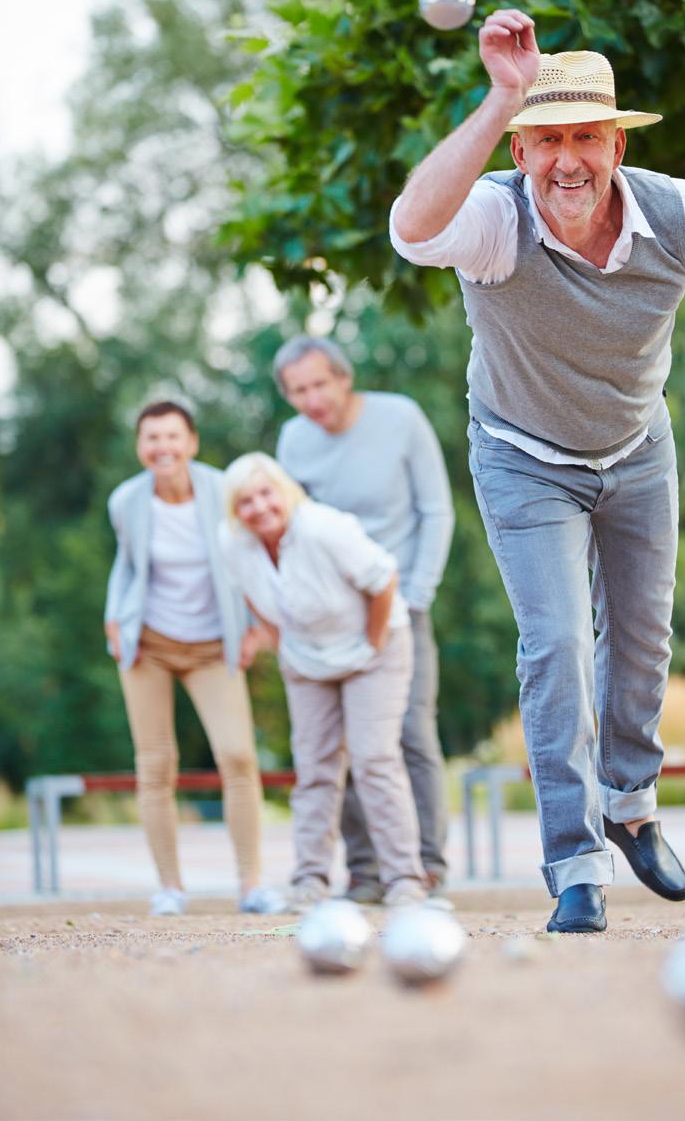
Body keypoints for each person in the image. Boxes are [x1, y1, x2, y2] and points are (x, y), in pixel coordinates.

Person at [390, 10, 685, 933]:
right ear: (520, 148)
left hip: (637, 447)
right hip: (522, 454)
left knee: (641, 640)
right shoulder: (495, 223)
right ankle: (575, 861)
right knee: (555, 649)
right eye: (546, 140)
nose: (568, 161)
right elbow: (409, 226)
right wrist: (504, 92)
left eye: (586, 136)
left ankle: (631, 805)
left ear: (618, 142)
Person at [274, 335, 454, 903]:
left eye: (319, 384)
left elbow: (436, 509)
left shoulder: (400, 418)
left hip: (401, 605)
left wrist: (418, 593)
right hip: (331, 616)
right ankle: (367, 869)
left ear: (343, 378)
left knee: (408, 734)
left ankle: (424, 865)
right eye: (298, 391)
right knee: (340, 743)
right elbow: (289, 528)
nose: (311, 399)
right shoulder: (293, 442)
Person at [219, 451, 429, 911]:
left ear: (284, 492)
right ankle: (309, 880)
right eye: (245, 501)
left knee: (374, 759)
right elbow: (250, 594)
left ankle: (405, 881)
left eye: (265, 493)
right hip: (306, 657)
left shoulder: (322, 527)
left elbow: (384, 579)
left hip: (374, 646)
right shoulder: (233, 543)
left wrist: (372, 647)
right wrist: (278, 640)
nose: (259, 507)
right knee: (314, 767)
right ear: (235, 511)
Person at [104, 401, 279, 916]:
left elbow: (246, 559)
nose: (163, 448)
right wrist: (115, 617)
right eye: (152, 438)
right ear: (140, 447)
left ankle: (250, 885)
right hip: (149, 644)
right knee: (156, 764)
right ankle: (170, 888)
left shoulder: (220, 490)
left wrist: (254, 627)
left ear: (192, 442)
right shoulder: (126, 501)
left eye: (172, 437)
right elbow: (127, 564)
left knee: (238, 757)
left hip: (210, 646)